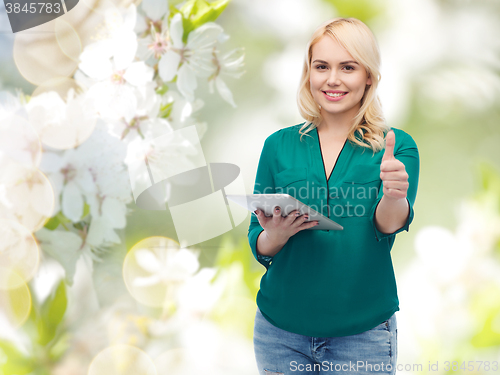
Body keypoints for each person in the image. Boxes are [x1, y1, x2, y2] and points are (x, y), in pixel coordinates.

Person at [248, 17, 420, 375]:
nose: (333, 79)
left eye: (348, 67)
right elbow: (258, 241)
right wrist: (275, 235)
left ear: (369, 76)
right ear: (308, 73)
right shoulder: (278, 146)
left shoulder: (396, 146)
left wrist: (394, 194)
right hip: (279, 333)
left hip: (362, 334)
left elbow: (387, 226)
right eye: (321, 66)